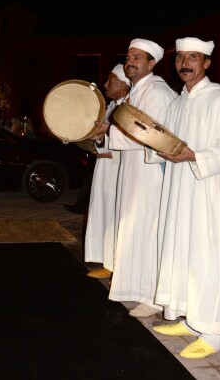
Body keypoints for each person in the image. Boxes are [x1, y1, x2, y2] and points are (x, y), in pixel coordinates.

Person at [150, 37, 220, 358]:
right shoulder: (177, 104)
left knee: (210, 259)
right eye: (180, 57)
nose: (185, 63)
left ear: (206, 63)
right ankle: (193, 321)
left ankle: (213, 332)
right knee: (185, 255)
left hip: (211, 196)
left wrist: (196, 156)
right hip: (182, 194)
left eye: (193, 57)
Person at [107, 38, 177, 317]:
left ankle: (154, 297)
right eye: (129, 56)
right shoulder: (136, 92)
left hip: (152, 174)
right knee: (135, 230)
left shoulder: (156, 92)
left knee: (150, 232)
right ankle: (138, 288)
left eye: (138, 57)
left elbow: (150, 137)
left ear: (152, 63)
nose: (131, 61)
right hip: (136, 172)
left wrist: (105, 132)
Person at [83, 64, 130, 278]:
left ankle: (118, 266)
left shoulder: (129, 107)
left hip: (119, 169)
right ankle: (108, 262)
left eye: (111, 81)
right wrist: (98, 139)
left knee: (114, 215)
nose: (105, 84)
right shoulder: (111, 106)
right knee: (104, 212)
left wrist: (107, 146)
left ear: (124, 85)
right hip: (105, 169)